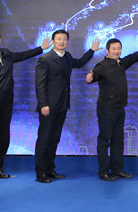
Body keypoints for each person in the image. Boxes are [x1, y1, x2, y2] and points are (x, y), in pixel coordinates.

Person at [0, 28, 51, 183]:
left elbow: (22, 55)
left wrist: (41, 48)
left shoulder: (6, 54)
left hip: (6, 104)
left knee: (3, 138)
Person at [34, 30, 100, 183]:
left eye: (64, 39)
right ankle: (41, 172)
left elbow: (79, 63)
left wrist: (92, 50)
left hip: (62, 104)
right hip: (48, 106)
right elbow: (40, 84)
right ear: (52, 41)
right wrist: (43, 104)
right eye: (59, 39)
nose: (62, 41)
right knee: (44, 139)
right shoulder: (45, 59)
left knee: (54, 139)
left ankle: (50, 169)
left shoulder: (67, 56)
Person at [85, 38, 138, 181]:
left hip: (119, 108)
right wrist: (90, 78)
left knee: (118, 141)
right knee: (104, 141)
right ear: (107, 51)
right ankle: (104, 172)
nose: (117, 51)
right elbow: (95, 75)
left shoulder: (121, 63)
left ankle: (117, 170)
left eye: (119, 48)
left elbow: (133, 57)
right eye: (114, 49)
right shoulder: (102, 65)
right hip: (106, 109)